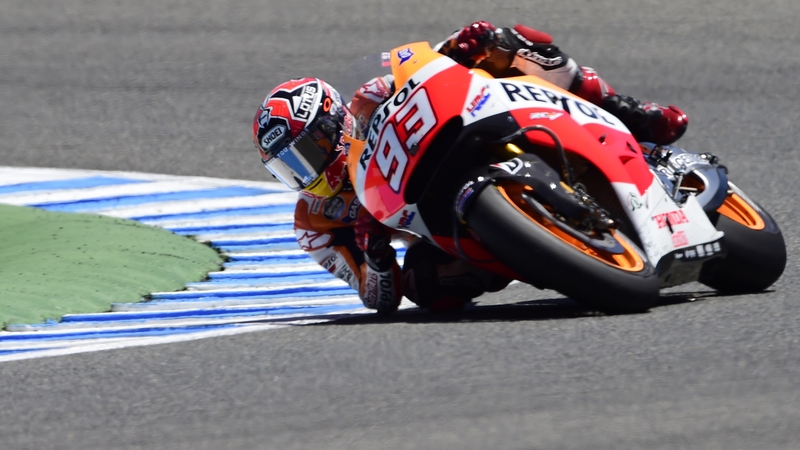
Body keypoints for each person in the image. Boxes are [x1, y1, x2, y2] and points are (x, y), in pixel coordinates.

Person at [252, 21, 689, 315]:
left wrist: (461, 46)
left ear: (336, 122)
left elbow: (425, 69)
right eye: (290, 168)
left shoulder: (369, 97)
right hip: (434, 213)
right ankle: (540, 254)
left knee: (510, 42)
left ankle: (623, 110)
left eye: (308, 152)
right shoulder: (315, 224)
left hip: (464, 130)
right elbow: (377, 300)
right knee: (425, 286)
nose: (306, 173)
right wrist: (378, 256)